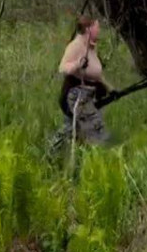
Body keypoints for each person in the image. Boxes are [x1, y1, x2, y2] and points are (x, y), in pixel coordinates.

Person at [49, 16, 114, 152]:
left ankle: (54, 153)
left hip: (90, 95)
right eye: (97, 27)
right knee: (95, 130)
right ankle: (102, 158)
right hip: (77, 96)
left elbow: (96, 75)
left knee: (72, 130)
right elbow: (63, 67)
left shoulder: (91, 47)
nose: (99, 30)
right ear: (88, 29)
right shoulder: (76, 46)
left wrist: (111, 89)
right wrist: (77, 64)